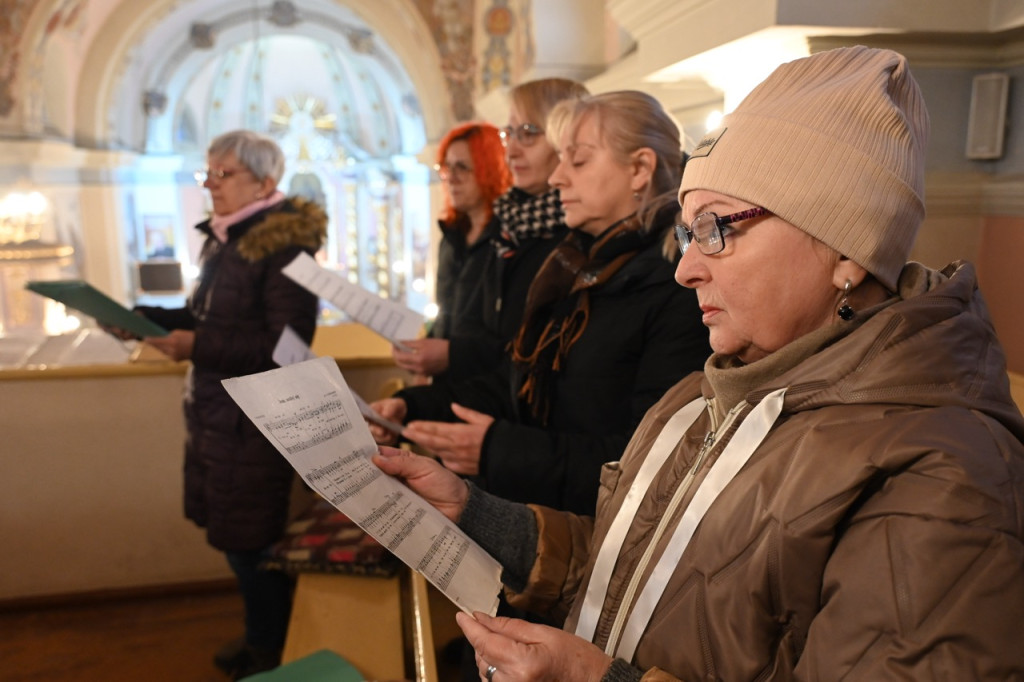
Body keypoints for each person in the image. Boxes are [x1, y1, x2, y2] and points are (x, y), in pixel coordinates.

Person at [372, 46, 1024, 681]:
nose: (685, 267)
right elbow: (636, 571)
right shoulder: (701, 392)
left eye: (715, 228)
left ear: (846, 249)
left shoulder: (945, 475)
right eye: (685, 232)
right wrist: (477, 512)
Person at [372, 90, 710, 517]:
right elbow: (519, 382)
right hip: (545, 518)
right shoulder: (576, 265)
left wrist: (499, 450)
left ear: (639, 168)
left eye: (579, 160)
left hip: (600, 538)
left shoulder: (678, 283)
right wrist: (411, 407)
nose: (557, 178)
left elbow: (653, 460)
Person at [128, 130, 326, 679]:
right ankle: (263, 638)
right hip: (219, 415)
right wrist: (143, 317)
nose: (211, 184)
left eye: (225, 174)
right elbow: (211, 318)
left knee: (252, 544)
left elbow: (286, 347)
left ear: (265, 182)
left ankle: (276, 654)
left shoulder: (284, 246)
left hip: (256, 420)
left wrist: (196, 346)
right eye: (207, 173)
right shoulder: (226, 238)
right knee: (240, 543)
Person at [392, 78, 588, 384]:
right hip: (476, 393)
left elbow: (538, 354)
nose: (511, 151)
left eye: (528, 133)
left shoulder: (576, 233)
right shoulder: (512, 226)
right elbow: (473, 324)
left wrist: (453, 358)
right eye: (508, 133)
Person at [407, 122, 511, 385]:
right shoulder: (452, 238)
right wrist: (422, 355)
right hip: (446, 384)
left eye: (462, 167)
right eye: (446, 167)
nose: (451, 177)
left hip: (488, 386)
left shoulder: (508, 238)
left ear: (491, 168)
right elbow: (446, 314)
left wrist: (452, 354)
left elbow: (504, 337)